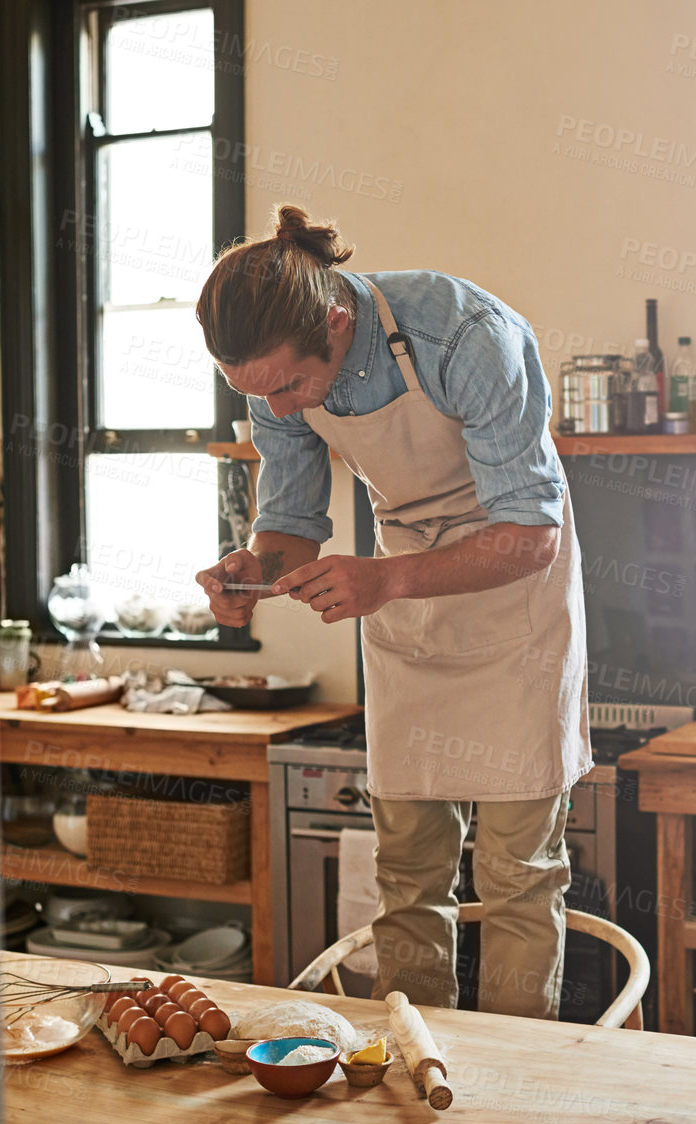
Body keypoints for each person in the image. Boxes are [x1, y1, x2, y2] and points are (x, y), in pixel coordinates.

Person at [193, 204, 590, 1019]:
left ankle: (512, 1095)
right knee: (408, 875)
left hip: (509, 588)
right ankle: (417, 1073)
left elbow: (529, 537)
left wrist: (386, 581)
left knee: (517, 878)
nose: (282, 406)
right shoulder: (278, 382)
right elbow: (293, 530)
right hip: (404, 592)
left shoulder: (465, 335)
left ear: (336, 321)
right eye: (257, 393)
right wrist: (254, 570)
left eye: (291, 386)